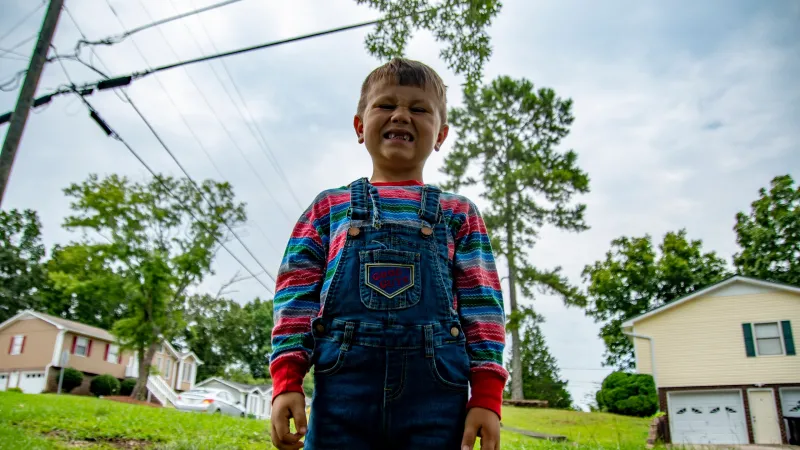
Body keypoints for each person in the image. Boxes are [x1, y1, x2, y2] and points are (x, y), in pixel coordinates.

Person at [270, 57, 508, 450]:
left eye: (418, 108)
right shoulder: (327, 210)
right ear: (360, 126)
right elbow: (295, 298)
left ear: (441, 134)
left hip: (437, 407)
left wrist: (486, 396)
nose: (401, 115)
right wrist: (286, 380)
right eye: (385, 105)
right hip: (340, 404)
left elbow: (483, 309)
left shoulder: (459, 214)